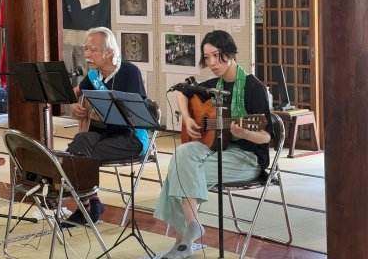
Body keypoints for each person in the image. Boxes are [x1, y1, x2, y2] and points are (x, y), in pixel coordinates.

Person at [154, 30, 274, 259]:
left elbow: (267, 137)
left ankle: (184, 241)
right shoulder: (214, 85)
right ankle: (191, 227)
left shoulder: (252, 87)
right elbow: (182, 91)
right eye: (207, 57)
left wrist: (245, 134)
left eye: (216, 55)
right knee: (182, 153)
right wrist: (188, 118)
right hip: (218, 149)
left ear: (229, 52)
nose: (211, 63)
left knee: (178, 172)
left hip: (247, 159)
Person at [65, 26, 149, 226]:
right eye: (85, 49)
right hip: (105, 133)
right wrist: (73, 104)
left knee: (80, 154)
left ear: (109, 52)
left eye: (92, 50)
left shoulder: (129, 72)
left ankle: (86, 204)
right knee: (80, 141)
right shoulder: (94, 75)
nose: (87, 55)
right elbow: (74, 91)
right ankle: (91, 201)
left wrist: (110, 114)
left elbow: (138, 112)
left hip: (132, 137)